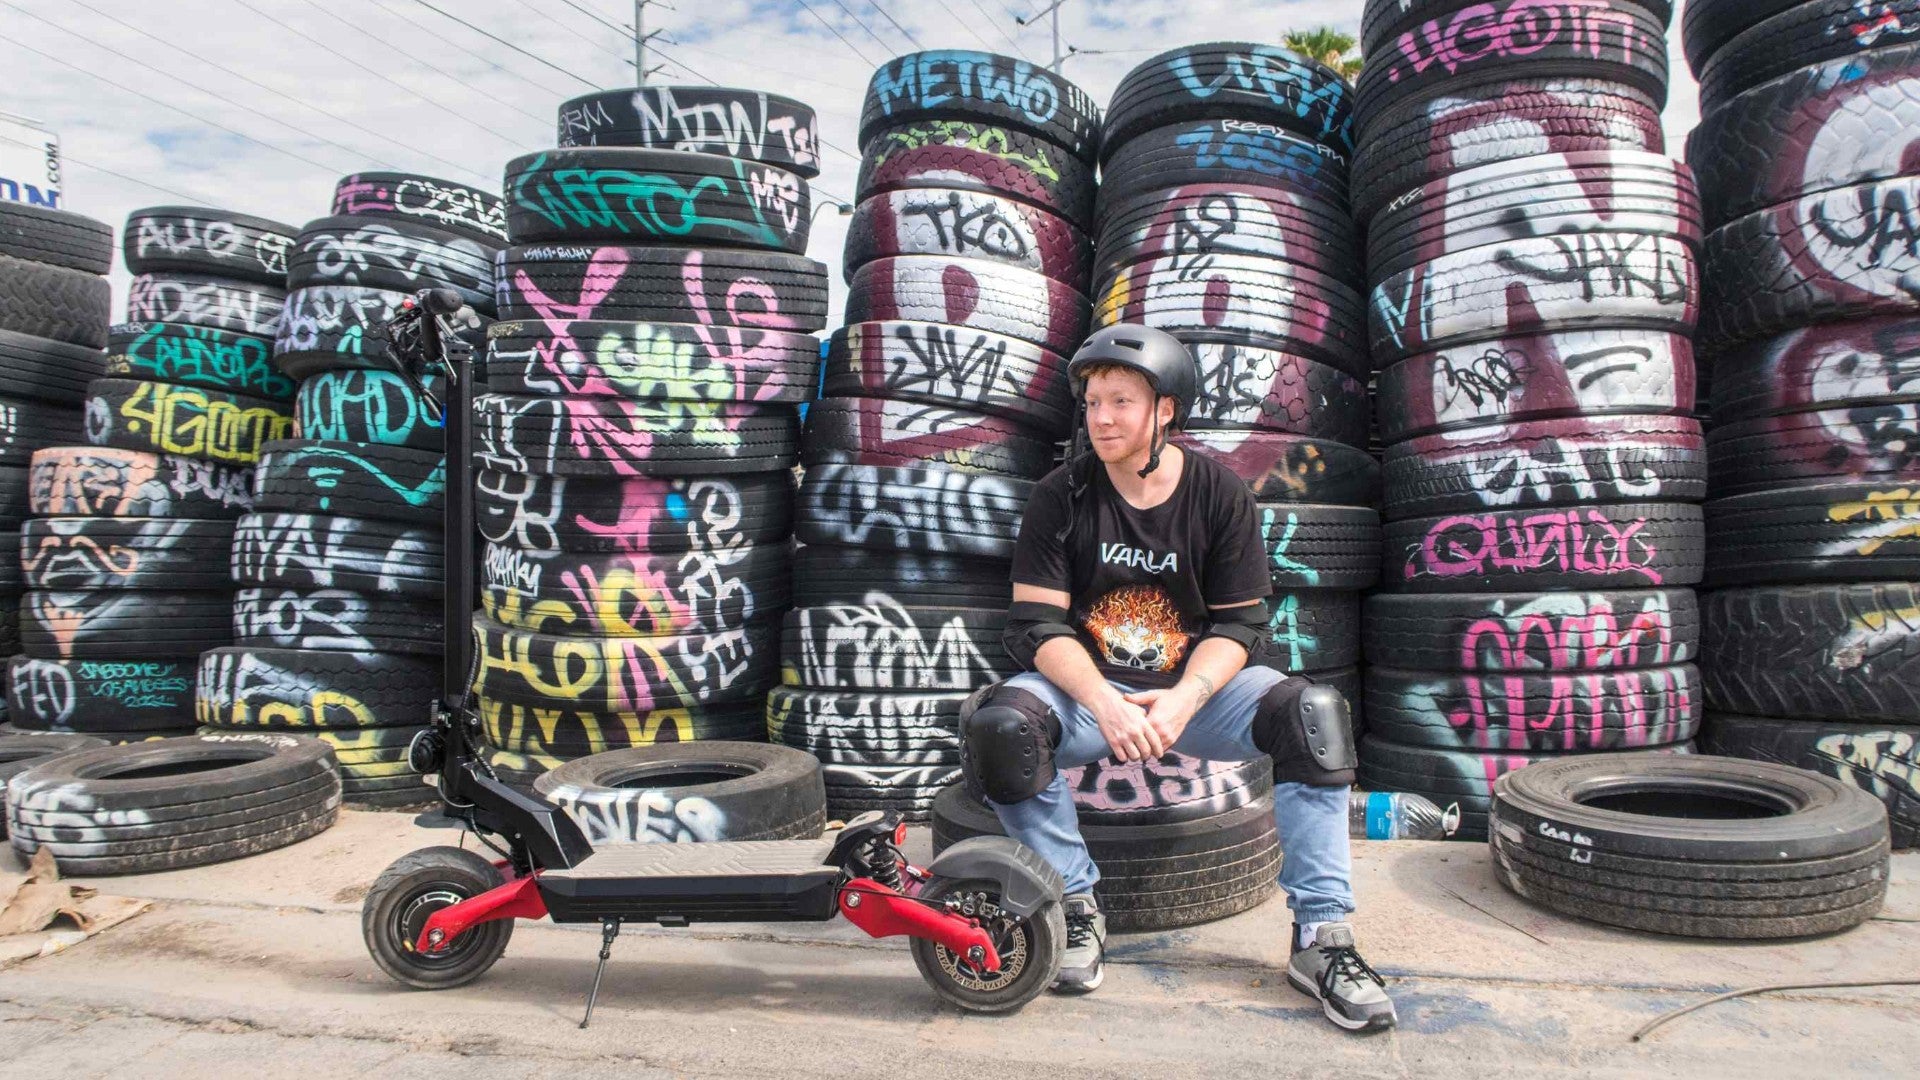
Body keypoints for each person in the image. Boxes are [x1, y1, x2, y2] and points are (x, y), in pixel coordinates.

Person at [958, 323, 1396, 1032]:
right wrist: (1102, 699)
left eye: (1121, 401)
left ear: (1166, 410)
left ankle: (1322, 938)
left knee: (1311, 714)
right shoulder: (1059, 494)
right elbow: (1034, 628)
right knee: (1002, 727)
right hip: (1084, 700)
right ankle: (1073, 908)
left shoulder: (1218, 495)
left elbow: (1241, 628)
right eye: (1093, 401)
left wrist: (1186, 698)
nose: (1101, 418)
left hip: (1194, 696)